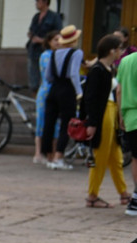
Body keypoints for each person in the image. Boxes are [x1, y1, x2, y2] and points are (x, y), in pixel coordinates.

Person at [82, 35, 127, 209]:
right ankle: (92, 195)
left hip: (110, 112)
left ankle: (123, 192)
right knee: (100, 156)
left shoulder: (108, 69)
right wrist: (92, 123)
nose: (121, 52)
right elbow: (90, 98)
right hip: (103, 115)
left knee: (116, 156)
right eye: (119, 49)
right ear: (111, 50)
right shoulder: (98, 70)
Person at [41, 25, 83, 170]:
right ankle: (59, 156)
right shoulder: (76, 53)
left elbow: (47, 76)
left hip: (54, 88)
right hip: (67, 89)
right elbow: (73, 74)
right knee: (67, 123)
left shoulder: (54, 53)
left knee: (49, 122)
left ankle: (49, 156)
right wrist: (79, 92)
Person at [33, 30, 60, 165]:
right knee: (41, 122)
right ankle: (38, 152)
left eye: (60, 39)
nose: (58, 42)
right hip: (46, 91)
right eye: (55, 39)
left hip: (55, 92)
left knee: (55, 125)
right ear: (49, 41)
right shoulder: (46, 55)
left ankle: (53, 152)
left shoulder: (58, 55)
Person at [27, 0, 63, 92]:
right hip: (34, 51)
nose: (36, 3)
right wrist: (31, 36)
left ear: (45, 2)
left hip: (47, 51)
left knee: (48, 79)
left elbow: (58, 34)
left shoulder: (54, 17)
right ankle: (36, 102)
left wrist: (42, 40)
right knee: (33, 82)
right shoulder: (36, 17)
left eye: (38, 1)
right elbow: (31, 30)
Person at [120, 37, 137, 215]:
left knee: (135, 158)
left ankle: (136, 198)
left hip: (131, 116)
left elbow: (119, 90)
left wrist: (120, 115)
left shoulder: (126, 61)